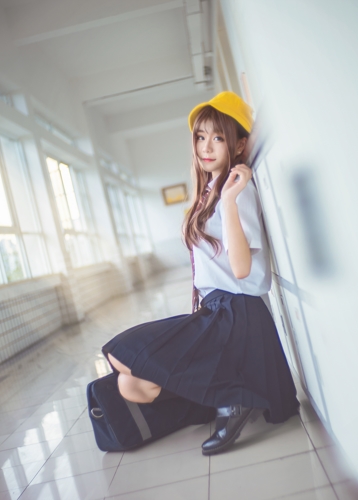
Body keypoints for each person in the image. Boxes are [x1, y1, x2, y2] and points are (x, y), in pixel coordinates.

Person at [102, 91, 299, 456]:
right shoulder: (210, 189)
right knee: (131, 387)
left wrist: (228, 201)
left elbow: (241, 270)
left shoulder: (236, 192)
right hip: (214, 311)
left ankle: (231, 397)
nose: (206, 146)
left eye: (218, 137)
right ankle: (228, 394)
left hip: (238, 315)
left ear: (240, 145)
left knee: (122, 353)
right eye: (200, 136)